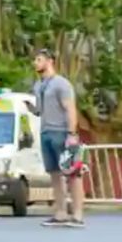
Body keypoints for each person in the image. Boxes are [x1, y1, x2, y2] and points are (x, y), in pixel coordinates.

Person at [32, 49, 84, 228]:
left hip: (62, 133)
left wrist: (72, 134)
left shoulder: (61, 84)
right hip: (46, 132)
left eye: (39, 60)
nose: (36, 63)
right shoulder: (38, 86)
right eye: (35, 60)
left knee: (72, 174)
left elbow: (70, 108)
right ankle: (60, 213)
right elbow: (40, 110)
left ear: (50, 61)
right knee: (54, 174)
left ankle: (77, 215)